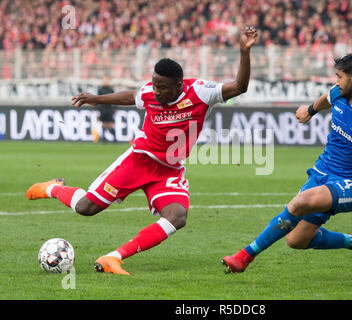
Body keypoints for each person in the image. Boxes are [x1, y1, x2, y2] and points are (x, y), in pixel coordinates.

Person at [26, 26, 259, 276]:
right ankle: (51, 187)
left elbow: (239, 87)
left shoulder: (200, 93)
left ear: (179, 85)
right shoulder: (150, 93)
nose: (155, 91)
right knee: (85, 208)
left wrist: (244, 52)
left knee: (177, 216)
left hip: (169, 170)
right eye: (155, 85)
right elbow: (132, 97)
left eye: (162, 87)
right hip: (138, 162)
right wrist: (97, 99)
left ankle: (113, 258)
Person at [222, 50, 352, 273]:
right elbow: (326, 99)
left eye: (339, 77)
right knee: (296, 240)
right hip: (322, 172)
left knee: (298, 203)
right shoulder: (339, 93)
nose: (336, 82)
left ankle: (245, 256)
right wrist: (310, 111)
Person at [96, 74, 116, 143]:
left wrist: (116, 108)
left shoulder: (111, 90)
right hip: (103, 109)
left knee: (111, 124)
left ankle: (115, 139)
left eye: (106, 80)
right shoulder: (100, 90)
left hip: (110, 109)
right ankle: (104, 139)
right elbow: (97, 101)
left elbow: (115, 99)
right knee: (103, 124)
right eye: (104, 80)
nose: (105, 81)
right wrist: (96, 110)